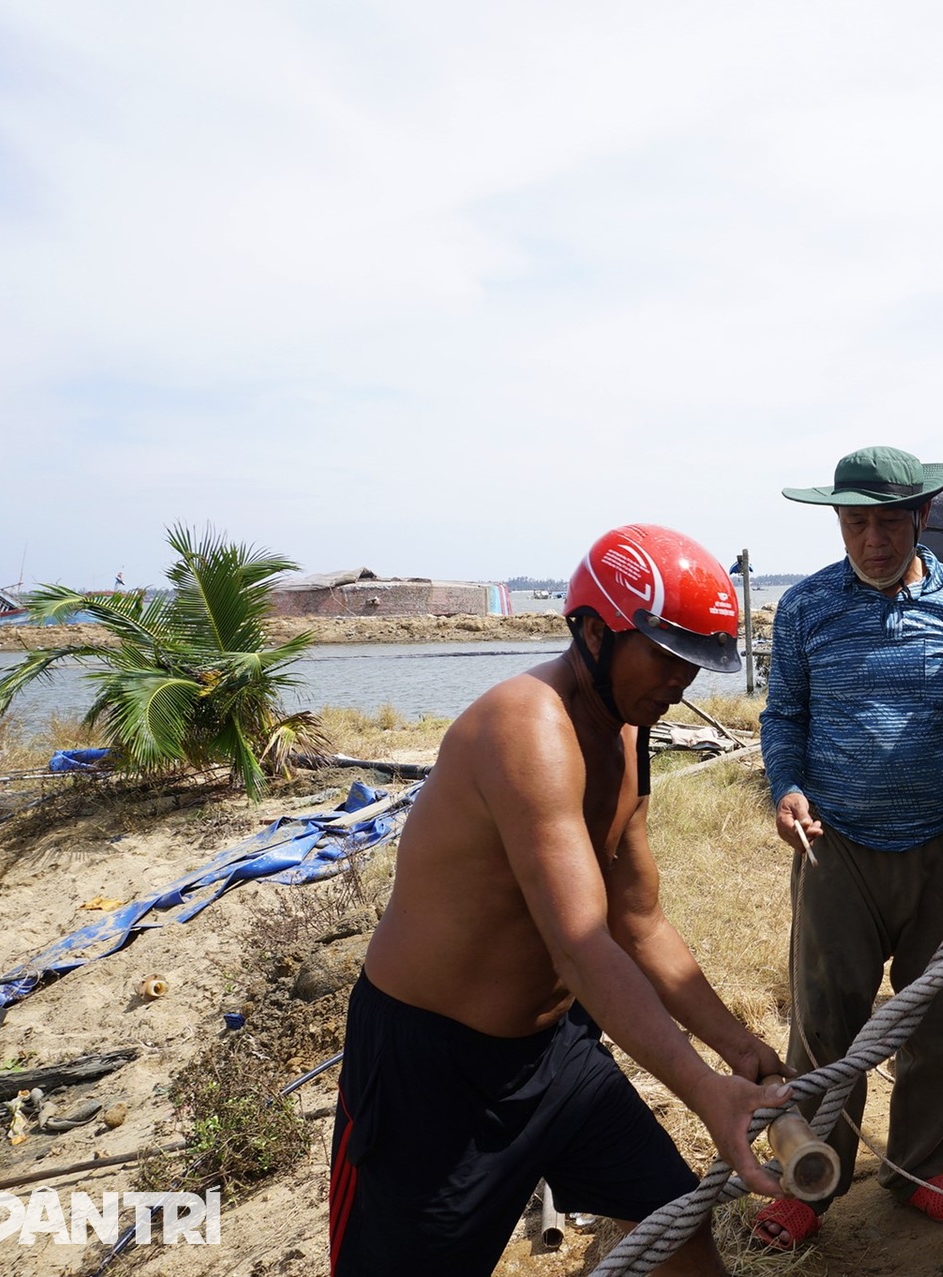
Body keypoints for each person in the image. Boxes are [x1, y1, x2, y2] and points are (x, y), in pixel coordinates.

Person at [331, 525, 791, 1277]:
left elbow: (636, 920)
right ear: (590, 631)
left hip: (553, 1053)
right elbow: (581, 945)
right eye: (664, 653)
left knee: (676, 1223)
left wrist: (738, 1048)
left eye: (695, 663)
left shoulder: (626, 731)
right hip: (432, 1070)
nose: (681, 680)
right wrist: (706, 1091)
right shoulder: (528, 726)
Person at [754, 446, 943, 1250]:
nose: (872, 540)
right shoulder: (806, 608)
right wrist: (784, 785)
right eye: (856, 522)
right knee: (827, 1021)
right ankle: (812, 1177)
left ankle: (921, 1167)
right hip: (838, 850)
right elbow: (783, 715)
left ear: (922, 518)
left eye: (889, 522)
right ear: (837, 522)